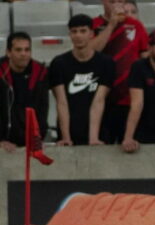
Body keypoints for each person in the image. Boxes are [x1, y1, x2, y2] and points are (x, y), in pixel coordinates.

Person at [91, 0, 149, 144]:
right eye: (112, 2)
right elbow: (91, 52)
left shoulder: (136, 25)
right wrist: (111, 25)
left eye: (120, 2)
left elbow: (145, 56)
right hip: (101, 96)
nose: (117, 6)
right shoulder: (94, 25)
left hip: (129, 97)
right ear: (103, 1)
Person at [48, 14, 115, 146]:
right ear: (70, 34)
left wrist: (93, 138)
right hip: (70, 131)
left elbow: (99, 100)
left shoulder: (106, 63)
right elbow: (61, 102)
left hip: (100, 131)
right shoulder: (58, 63)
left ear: (91, 33)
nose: (78, 35)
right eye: (74, 31)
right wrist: (66, 137)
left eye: (83, 31)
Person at [0, 32, 48, 152]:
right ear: (8, 52)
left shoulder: (40, 73)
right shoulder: (1, 73)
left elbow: (42, 109)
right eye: (18, 50)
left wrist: (38, 138)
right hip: (4, 142)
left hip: (31, 141)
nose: (23, 54)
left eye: (27, 50)